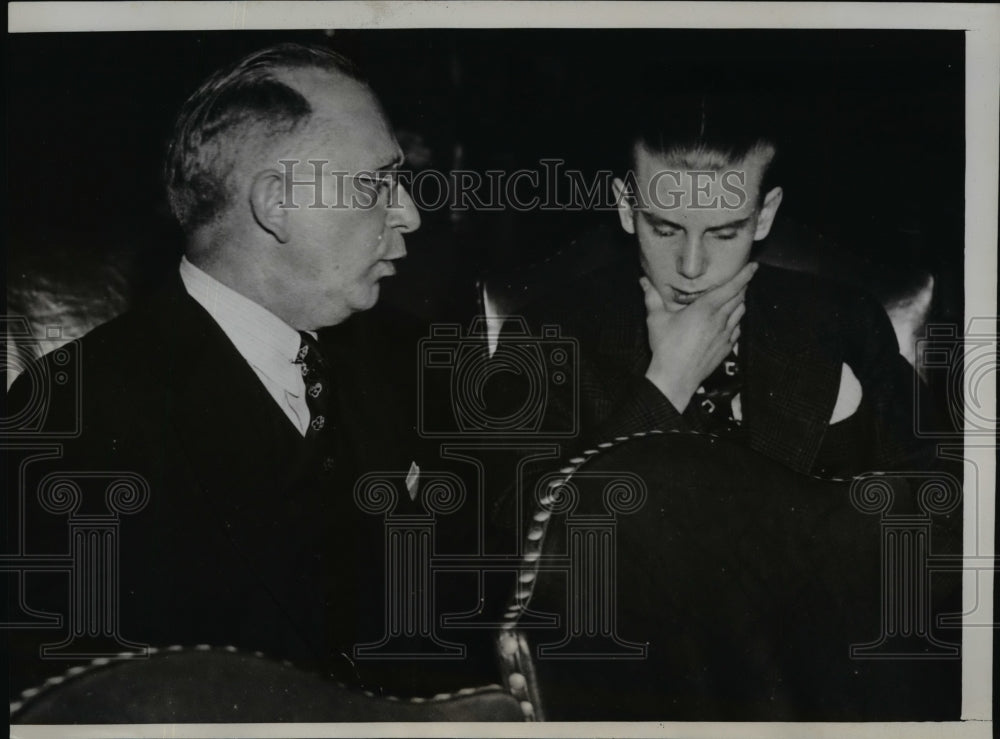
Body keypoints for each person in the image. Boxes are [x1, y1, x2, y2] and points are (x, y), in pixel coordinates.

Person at [7, 43, 435, 695]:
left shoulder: (387, 363)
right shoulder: (77, 414)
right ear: (276, 203)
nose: (409, 212)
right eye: (377, 182)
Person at [516, 92, 933, 478]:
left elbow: (942, 507)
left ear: (764, 216)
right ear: (627, 209)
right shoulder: (547, 336)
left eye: (723, 233)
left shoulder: (844, 322)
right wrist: (665, 386)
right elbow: (518, 531)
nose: (691, 267)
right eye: (665, 230)